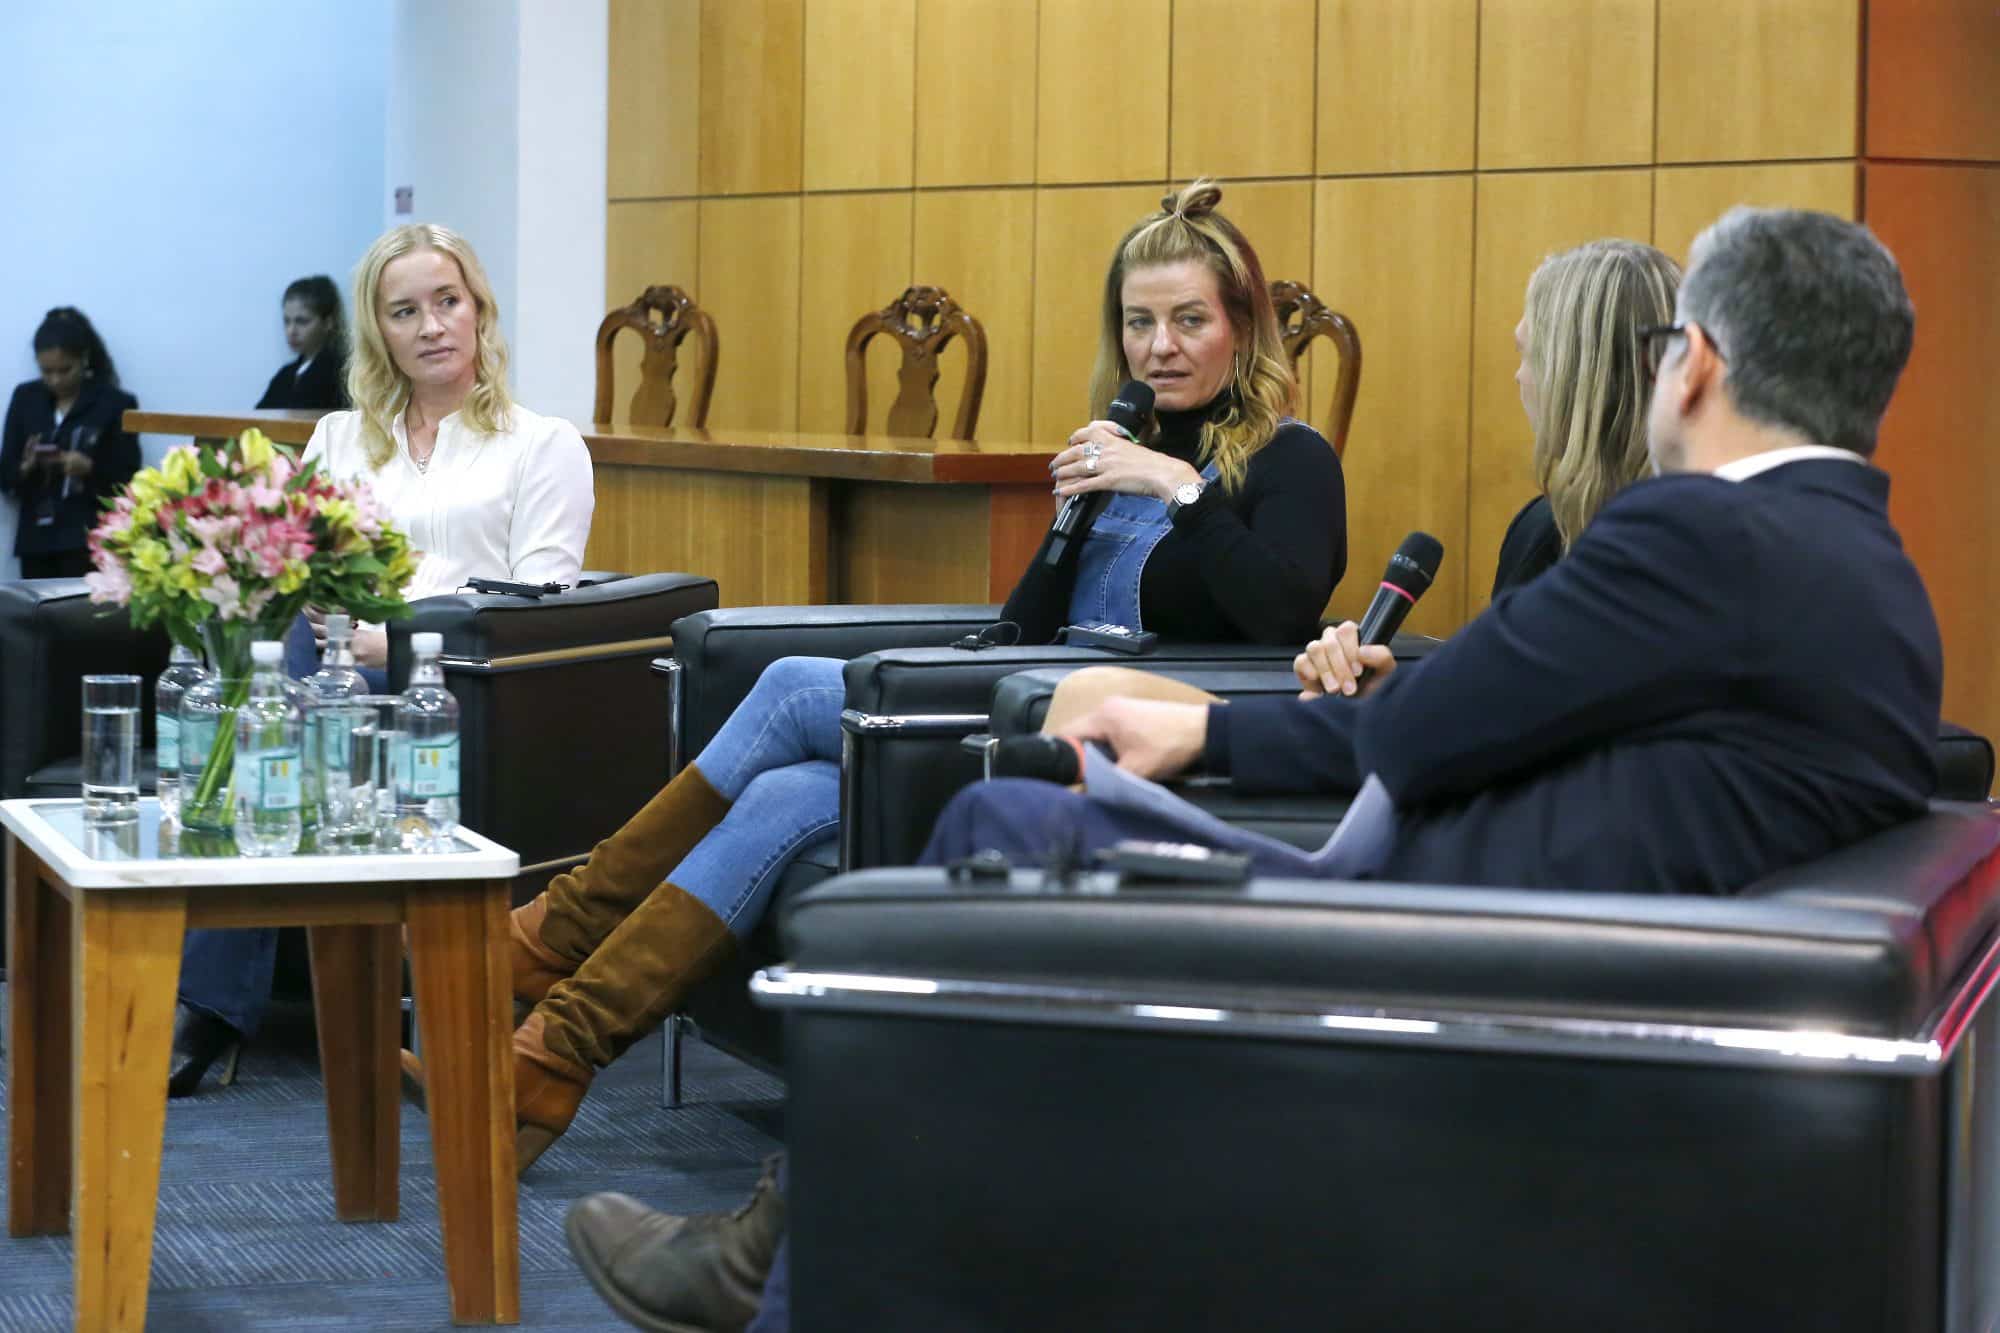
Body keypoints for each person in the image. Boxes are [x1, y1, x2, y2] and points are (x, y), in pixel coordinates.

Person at [558, 235, 1689, 1333]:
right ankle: (598, 1079)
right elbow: (1484, 709)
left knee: (902, 760)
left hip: (1399, 870)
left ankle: (638, 1070)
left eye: (1188, 319)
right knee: (834, 798)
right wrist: (1392, 672)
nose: (1516, 370)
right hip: (1289, 772)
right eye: (1140, 322)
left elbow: (1339, 646)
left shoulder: (1608, 547)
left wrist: (1200, 592)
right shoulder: (1550, 533)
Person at [438, 178, 1349, 1190]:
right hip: (1022, 696)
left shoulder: (1289, 461)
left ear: (1241, 329)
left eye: (1188, 321)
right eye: (1139, 323)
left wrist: (1175, 488)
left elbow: (1280, 611)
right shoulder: (1119, 441)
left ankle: (551, 933)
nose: (1159, 347)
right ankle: (549, 1056)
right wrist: (1074, 514)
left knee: (793, 687)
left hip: (1112, 744)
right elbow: (1025, 626)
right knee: (788, 794)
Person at [925, 206, 1941, 906]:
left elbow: (1425, 735)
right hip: (1551, 938)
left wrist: (1203, 733)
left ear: (1696, 366)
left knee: (1000, 821)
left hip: (1442, 943)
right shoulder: (1871, 569)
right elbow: (1536, 718)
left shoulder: (1697, 533)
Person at [169, 223, 595, 1096]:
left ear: (479, 310)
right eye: (405, 312)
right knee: (261, 655)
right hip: (325, 666)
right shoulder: (339, 439)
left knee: (272, 704)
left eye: (448, 301)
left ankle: (204, 1003)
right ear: (379, 332)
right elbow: (298, 567)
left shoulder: (542, 444)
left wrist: (394, 638)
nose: (432, 326)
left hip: (446, 686)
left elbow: (535, 609)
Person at [1493, 239, 1682, 595]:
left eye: (1528, 355)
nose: (1520, 376)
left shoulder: (1543, 543)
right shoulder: (1541, 530)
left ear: (1576, 380)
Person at [0, 308, 140, 578]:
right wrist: (25, 467)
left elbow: (129, 479)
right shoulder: (26, 398)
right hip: (36, 541)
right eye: (46, 371)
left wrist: (90, 468)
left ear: (84, 359)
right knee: (37, 605)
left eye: (65, 370)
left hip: (91, 536)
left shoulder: (114, 403)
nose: (55, 380)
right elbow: (6, 476)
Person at [255, 274, 350, 410]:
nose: (291, 331)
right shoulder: (285, 375)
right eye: (287, 321)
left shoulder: (341, 373)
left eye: (302, 321)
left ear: (328, 323)